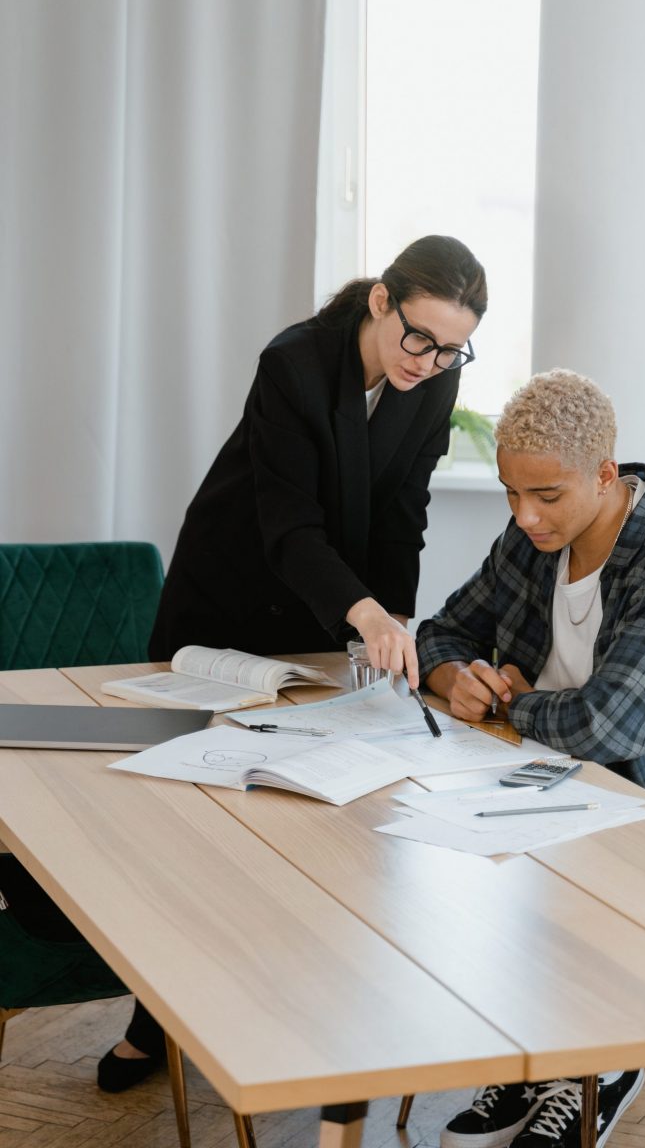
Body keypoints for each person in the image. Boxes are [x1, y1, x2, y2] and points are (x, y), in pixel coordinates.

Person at [97, 235, 487, 1093]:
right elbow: (287, 524)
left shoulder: (439, 377)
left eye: (452, 347)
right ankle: (150, 1017)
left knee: (309, 814)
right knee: (193, 818)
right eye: (418, 338)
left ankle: (285, 1007)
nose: (430, 362)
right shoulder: (294, 362)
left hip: (329, 602)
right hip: (231, 594)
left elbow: (402, 515)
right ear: (383, 301)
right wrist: (364, 613)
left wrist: (390, 631)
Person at [415, 368, 645, 1148]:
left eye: (546, 497)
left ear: (605, 474)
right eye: (509, 494)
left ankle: (599, 1065)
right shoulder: (535, 535)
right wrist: (455, 679)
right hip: (551, 777)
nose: (525, 517)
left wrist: (508, 704)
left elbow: (613, 726)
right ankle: (539, 1052)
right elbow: (441, 630)